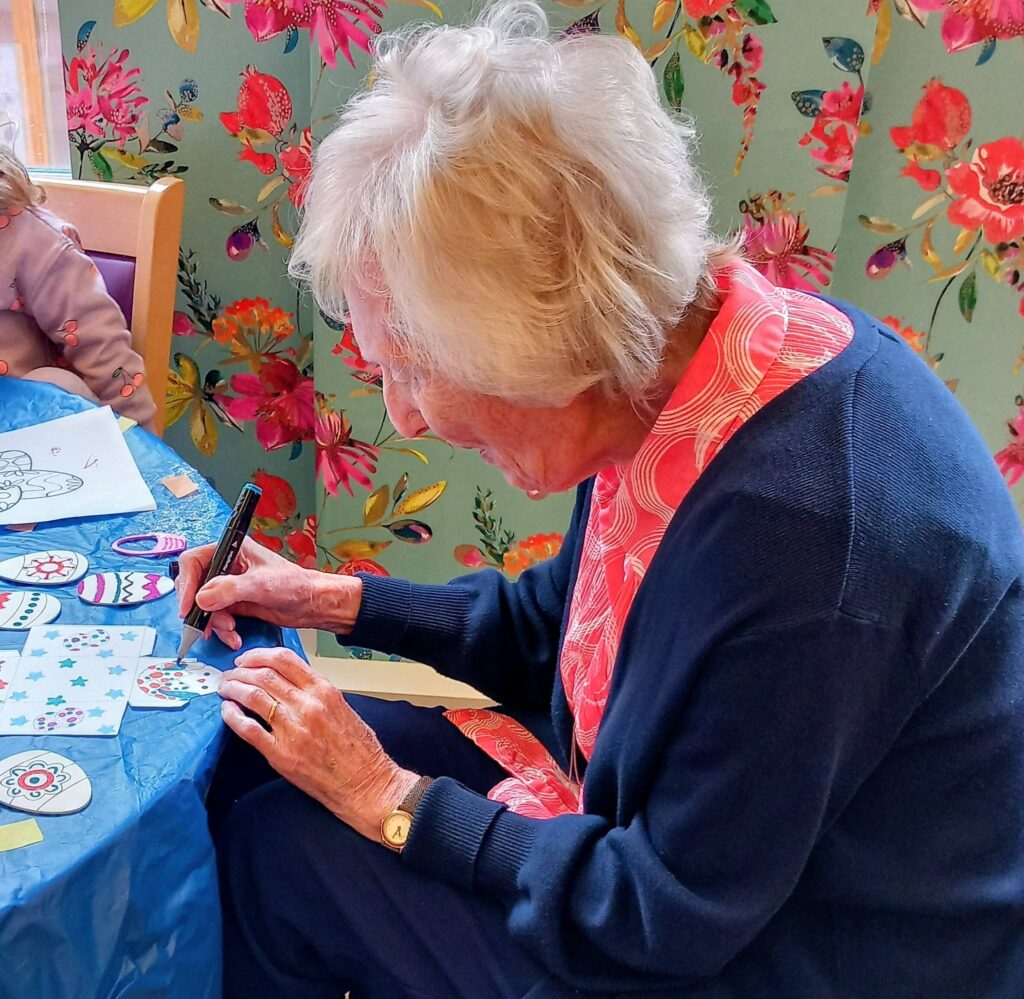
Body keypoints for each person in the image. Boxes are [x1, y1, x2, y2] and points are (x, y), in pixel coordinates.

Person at [178, 4, 1024, 996]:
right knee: (244, 750)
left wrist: (389, 797)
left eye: (410, 369)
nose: (401, 417)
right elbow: (563, 629)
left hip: (801, 952)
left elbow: (658, 916)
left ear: (542, 351)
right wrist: (327, 600)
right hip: (672, 853)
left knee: (287, 855)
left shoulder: (803, 545)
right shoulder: (697, 367)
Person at [0, 145, 156, 428]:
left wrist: (142, 449)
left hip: (38, 431)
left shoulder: (32, 242)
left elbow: (105, 351)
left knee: (55, 384)